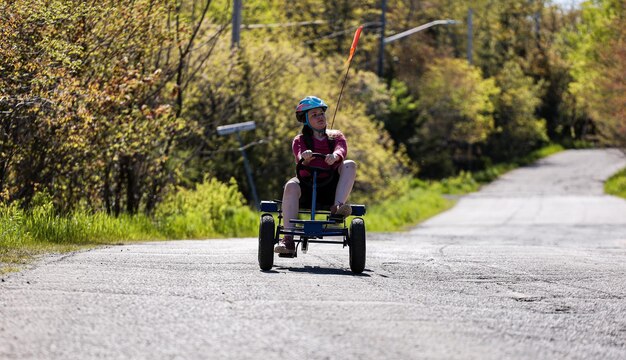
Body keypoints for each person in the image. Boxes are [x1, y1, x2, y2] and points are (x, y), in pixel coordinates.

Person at [274, 96, 357, 254]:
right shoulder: (300, 140)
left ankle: (337, 208)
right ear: (306, 120)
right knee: (291, 185)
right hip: (306, 186)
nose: (320, 117)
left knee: (350, 164)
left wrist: (335, 156)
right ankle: (288, 241)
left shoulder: (336, 136)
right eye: (314, 115)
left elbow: (342, 149)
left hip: (331, 188)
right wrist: (304, 158)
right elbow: (298, 155)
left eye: (321, 113)